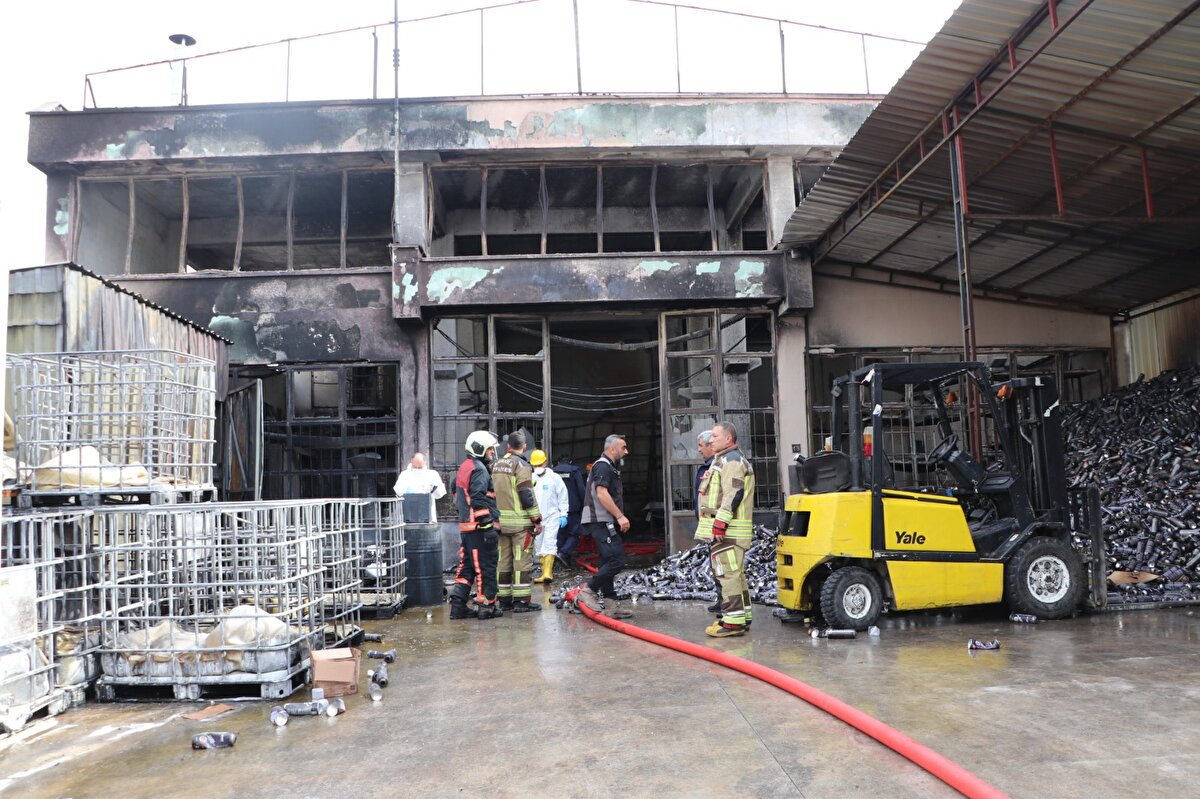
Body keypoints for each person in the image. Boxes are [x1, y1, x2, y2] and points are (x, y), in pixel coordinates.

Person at [696, 421, 755, 638]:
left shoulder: (731, 461)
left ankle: (732, 623)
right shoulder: (724, 460)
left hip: (728, 531)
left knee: (727, 574)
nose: (711, 440)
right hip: (728, 530)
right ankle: (742, 616)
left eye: (715, 436)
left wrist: (720, 524)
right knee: (735, 575)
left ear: (728, 439)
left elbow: (733, 494)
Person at [574, 434, 633, 619]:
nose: (626, 451)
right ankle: (587, 592)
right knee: (616, 560)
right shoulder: (603, 466)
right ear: (612, 448)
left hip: (603, 520)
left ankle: (610, 604)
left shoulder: (608, 467)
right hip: (600, 520)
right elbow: (602, 494)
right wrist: (620, 516)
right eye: (623, 447)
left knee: (608, 561)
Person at [449, 431, 503, 620]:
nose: (491, 453)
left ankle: (458, 606)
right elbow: (478, 498)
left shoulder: (465, 467)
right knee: (486, 567)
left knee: (468, 568)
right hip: (479, 529)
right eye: (489, 449)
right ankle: (487, 607)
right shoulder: (479, 469)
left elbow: (455, 490)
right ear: (480, 449)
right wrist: (488, 526)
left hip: (468, 528)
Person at [491, 430, 543, 612]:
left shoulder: (496, 465)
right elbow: (526, 494)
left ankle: (504, 601)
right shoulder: (522, 465)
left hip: (500, 523)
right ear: (525, 447)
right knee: (521, 562)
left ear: (508, 446)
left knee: (503, 561)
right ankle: (521, 602)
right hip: (520, 524)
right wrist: (536, 519)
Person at [692, 430, 722, 615]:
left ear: (710, 445)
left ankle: (728, 605)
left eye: (701, 446)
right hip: (710, 526)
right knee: (715, 565)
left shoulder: (717, 467)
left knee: (722, 567)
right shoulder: (707, 467)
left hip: (718, 526)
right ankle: (722, 600)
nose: (698, 450)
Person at [530, 449, 569, 584]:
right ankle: (543, 572)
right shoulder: (531, 478)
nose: (537, 468)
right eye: (535, 465)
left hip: (552, 516)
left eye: (539, 465)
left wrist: (563, 514)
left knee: (550, 542)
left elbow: (563, 496)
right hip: (536, 518)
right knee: (539, 545)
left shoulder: (554, 478)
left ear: (545, 463)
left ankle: (548, 573)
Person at [392, 452, 447, 522]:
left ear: (425, 462)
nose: (417, 469)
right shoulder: (404, 475)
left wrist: (435, 489)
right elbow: (398, 491)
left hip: (427, 515)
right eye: (415, 467)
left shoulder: (432, 474)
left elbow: (440, 494)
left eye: (420, 467)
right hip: (408, 515)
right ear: (411, 461)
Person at [553, 457, 587, 567]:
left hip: (557, 508)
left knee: (560, 535)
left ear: (558, 462)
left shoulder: (553, 471)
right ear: (570, 461)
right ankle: (563, 553)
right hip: (573, 507)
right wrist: (583, 504)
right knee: (575, 533)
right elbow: (581, 489)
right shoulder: (574, 470)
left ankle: (562, 560)